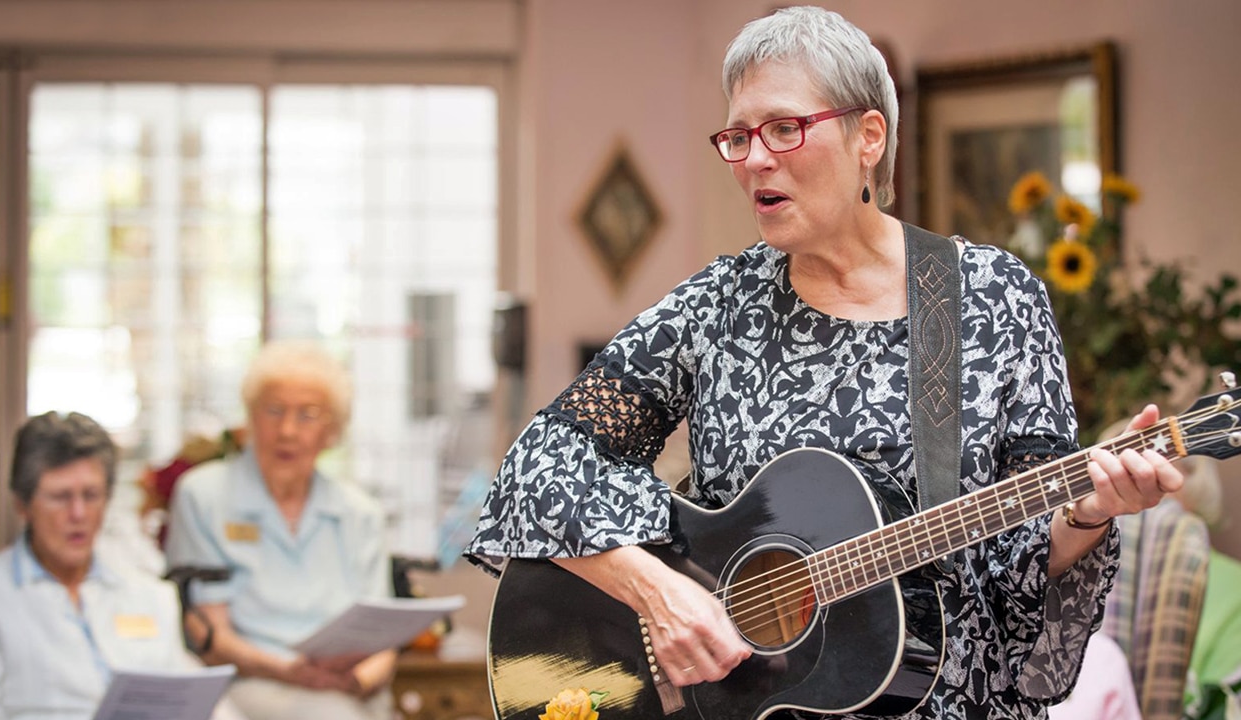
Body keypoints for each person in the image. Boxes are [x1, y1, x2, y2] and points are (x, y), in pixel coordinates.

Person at [466, 6, 1183, 718]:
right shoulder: (718, 306)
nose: (754, 159)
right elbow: (541, 464)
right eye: (739, 136)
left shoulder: (991, 298)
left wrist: (1090, 513)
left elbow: (1019, 569)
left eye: (784, 128)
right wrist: (658, 591)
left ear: (868, 136)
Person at [164, 340, 396, 720]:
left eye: (307, 415)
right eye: (274, 411)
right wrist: (289, 672)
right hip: (251, 685)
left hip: (350, 691)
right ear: (250, 419)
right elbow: (208, 635)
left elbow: (384, 642)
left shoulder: (360, 513)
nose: (287, 430)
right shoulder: (203, 496)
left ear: (331, 431)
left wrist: (358, 681)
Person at [0, 412, 201, 719]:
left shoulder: (147, 589)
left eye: (92, 496)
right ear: (22, 504)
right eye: (60, 497)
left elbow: (182, 694)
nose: (79, 514)